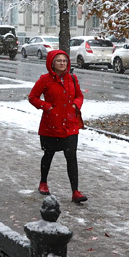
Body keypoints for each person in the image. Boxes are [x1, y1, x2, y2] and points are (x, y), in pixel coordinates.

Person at [27, 50, 88, 204]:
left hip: (70, 124)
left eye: (64, 61)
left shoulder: (72, 78)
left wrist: (76, 104)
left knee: (71, 157)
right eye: (59, 61)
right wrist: (47, 107)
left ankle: (75, 191)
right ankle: (43, 182)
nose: (62, 63)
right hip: (51, 125)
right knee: (49, 154)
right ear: (52, 63)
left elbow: (79, 96)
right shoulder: (45, 80)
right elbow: (32, 97)